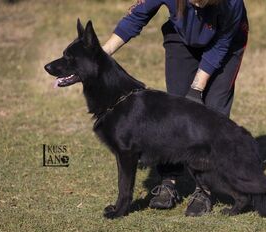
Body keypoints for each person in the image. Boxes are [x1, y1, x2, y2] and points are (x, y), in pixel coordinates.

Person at [102, 0, 249, 217]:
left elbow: (220, 46)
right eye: (195, 1)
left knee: (212, 116)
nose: (199, 6)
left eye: (205, 1)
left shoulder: (231, 2)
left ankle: (204, 190)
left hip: (226, 43)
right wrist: (101, 53)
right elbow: (136, 17)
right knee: (173, 115)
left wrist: (197, 88)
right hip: (181, 36)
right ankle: (169, 181)